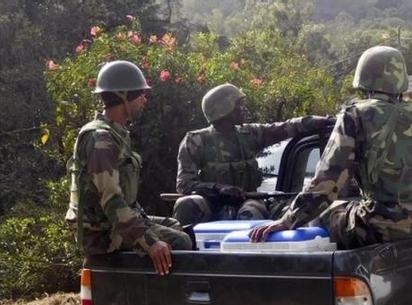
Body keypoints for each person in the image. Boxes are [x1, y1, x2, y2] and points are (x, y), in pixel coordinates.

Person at [250, 46, 412, 249]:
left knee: (329, 212)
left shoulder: (355, 116)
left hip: (378, 227)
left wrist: (287, 221)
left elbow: (326, 184)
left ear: (364, 79)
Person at [65, 60, 192, 276]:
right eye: (140, 94)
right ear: (124, 97)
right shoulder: (101, 140)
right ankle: (158, 304)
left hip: (112, 223)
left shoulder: (115, 133)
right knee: (180, 242)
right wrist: (150, 242)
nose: (144, 99)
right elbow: (111, 200)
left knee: (174, 224)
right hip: (102, 234)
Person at [173, 83, 334, 225]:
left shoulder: (249, 134)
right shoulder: (196, 141)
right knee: (186, 204)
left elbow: (284, 128)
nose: (243, 109)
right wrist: (218, 188)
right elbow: (184, 184)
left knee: (251, 212)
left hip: (248, 199)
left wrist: (319, 121)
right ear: (224, 109)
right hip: (211, 201)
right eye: (238, 105)